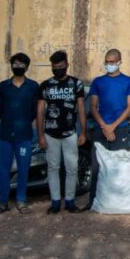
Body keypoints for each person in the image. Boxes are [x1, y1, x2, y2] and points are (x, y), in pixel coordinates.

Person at [37, 50, 86, 214]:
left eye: (60, 66)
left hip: (70, 133)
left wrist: (83, 132)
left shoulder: (76, 84)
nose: (57, 69)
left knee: (72, 168)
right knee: (53, 168)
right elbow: (40, 111)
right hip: (50, 134)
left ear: (67, 65)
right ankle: (56, 201)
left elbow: (81, 108)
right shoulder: (45, 85)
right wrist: (40, 135)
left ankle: (70, 201)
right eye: (54, 66)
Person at [86, 48, 130, 209]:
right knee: (97, 167)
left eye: (112, 62)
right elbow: (93, 106)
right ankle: (93, 201)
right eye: (107, 62)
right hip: (100, 129)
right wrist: (104, 126)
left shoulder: (128, 82)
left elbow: (129, 107)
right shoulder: (98, 82)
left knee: (118, 167)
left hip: (119, 129)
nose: (109, 65)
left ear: (119, 62)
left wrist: (113, 127)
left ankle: (117, 203)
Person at [0, 53, 39, 215]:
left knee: (23, 168)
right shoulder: (3, 86)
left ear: (27, 67)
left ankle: (21, 200)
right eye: (15, 63)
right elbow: (1, 109)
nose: (18, 66)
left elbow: (34, 111)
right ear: (11, 65)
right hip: (5, 134)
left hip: (24, 135)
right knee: (4, 169)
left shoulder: (33, 86)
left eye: (22, 64)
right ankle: (3, 201)